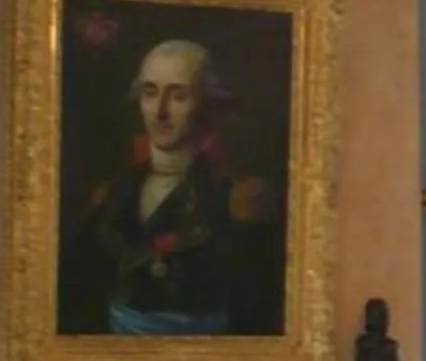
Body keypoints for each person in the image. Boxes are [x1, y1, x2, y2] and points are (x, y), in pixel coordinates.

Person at [63, 38, 281, 335]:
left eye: (178, 96)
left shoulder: (235, 200)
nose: (160, 112)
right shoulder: (113, 194)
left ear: (206, 103)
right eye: (150, 93)